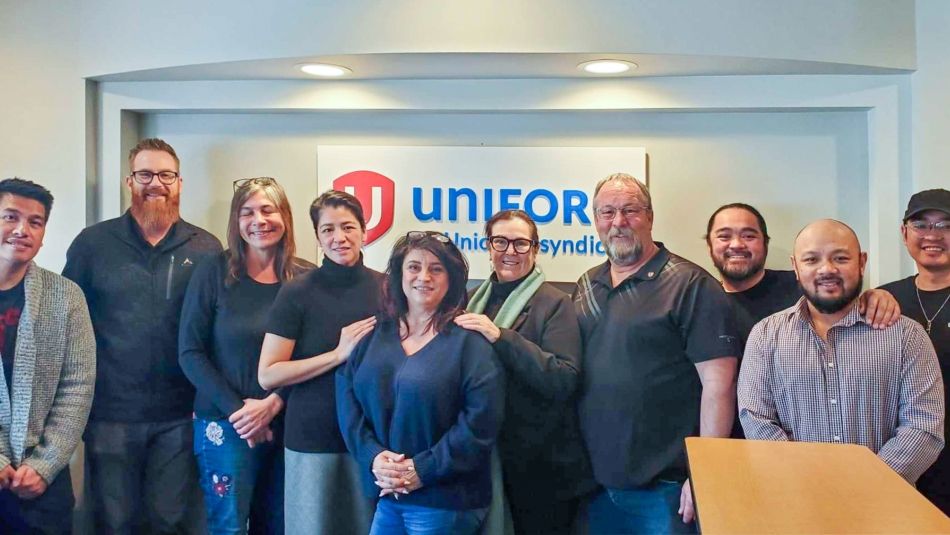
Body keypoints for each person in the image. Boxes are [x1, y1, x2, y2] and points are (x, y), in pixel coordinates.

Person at [63, 138, 222, 533]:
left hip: (180, 416)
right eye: (145, 174)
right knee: (115, 523)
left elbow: (216, 333)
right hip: (109, 415)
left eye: (166, 175)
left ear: (180, 183)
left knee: (171, 521)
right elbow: (67, 325)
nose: (156, 183)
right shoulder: (92, 244)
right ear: (129, 182)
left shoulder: (206, 248)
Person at [574, 173, 739, 534]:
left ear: (649, 216)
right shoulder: (587, 284)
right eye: (607, 212)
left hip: (664, 491)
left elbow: (719, 386)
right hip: (595, 485)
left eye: (630, 210)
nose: (618, 222)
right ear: (595, 219)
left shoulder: (690, 285)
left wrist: (704, 475)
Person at [739, 219, 944, 483]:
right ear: (795, 267)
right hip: (793, 501)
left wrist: (866, 485)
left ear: (861, 262)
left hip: (886, 505)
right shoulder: (765, 336)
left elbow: (923, 425)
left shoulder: (906, 335)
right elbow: (756, 419)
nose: (827, 269)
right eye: (811, 260)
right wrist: (809, 483)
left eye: (841, 258)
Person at [337, 230, 504, 535]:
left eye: (436, 268)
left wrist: (421, 470)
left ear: (451, 279)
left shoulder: (469, 341)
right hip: (387, 493)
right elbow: (347, 399)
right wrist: (372, 456)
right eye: (414, 266)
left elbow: (480, 424)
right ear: (399, 275)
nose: (423, 276)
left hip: (446, 500)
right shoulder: (375, 334)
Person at [179, 177, 313, 534]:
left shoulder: (306, 279)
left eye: (268, 209)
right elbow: (190, 352)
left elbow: (314, 358)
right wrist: (241, 413)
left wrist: (272, 405)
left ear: (284, 215)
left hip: (288, 425)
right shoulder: (213, 272)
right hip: (224, 424)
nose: (259, 220)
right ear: (236, 222)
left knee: (282, 526)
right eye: (247, 212)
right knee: (229, 527)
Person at [705, 203, 901, 437]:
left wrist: (877, 296)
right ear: (709, 244)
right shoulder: (701, 302)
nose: (737, 244)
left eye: (749, 235)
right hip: (741, 443)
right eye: (724, 236)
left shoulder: (804, 286)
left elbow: (845, 297)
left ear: (765, 243)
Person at [454, 209, 594, 534]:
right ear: (488, 247)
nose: (509, 252)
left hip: (540, 467)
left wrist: (500, 336)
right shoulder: (470, 301)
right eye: (500, 242)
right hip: (484, 456)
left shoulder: (556, 303)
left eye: (520, 243)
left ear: (536, 248)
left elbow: (563, 377)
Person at [258, 190, 382, 535]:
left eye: (347, 227)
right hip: (312, 437)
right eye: (328, 230)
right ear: (317, 237)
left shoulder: (387, 288)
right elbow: (268, 374)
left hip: (371, 440)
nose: (338, 238)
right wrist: (337, 355)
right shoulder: (297, 292)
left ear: (364, 231)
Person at [0, 179, 95, 534]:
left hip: (42, 482)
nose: (22, 230)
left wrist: (46, 463)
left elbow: (77, 387)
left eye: (35, 222)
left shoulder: (66, 297)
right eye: (10, 217)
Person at [880, 189, 950, 511]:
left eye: (945, 225)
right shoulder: (882, 299)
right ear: (904, 232)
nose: (932, 235)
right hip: (900, 459)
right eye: (921, 224)